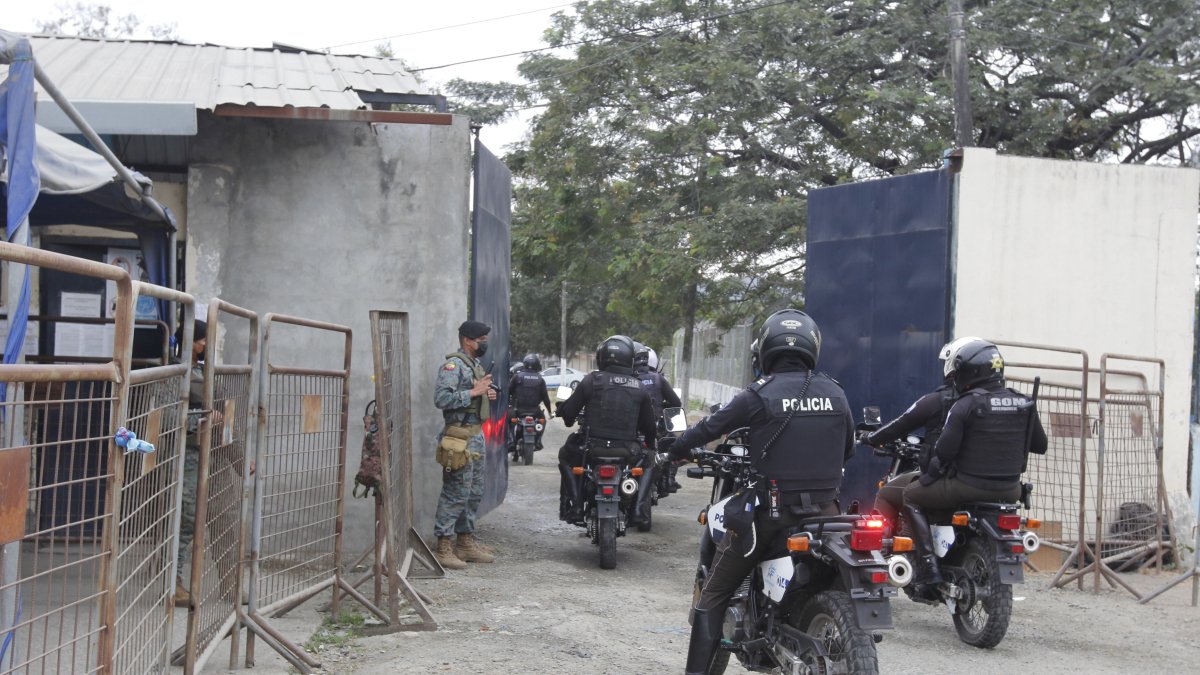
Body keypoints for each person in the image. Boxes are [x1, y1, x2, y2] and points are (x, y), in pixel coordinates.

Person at [663, 309, 854, 675]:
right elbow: (849, 450)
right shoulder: (836, 392)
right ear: (812, 347)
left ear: (765, 349)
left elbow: (708, 429)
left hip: (772, 516)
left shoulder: (758, 395)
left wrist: (674, 450)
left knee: (714, 593)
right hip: (827, 515)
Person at [900, 339, 1047, 595]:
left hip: (968, 486)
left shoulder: (966, 404)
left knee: (910, 496)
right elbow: (1040, 445)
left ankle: (928, 568)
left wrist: (928, 477)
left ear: (971, 371)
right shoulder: (1023, 402)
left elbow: (945, 451)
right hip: (1010, 490)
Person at [863, 335, 982, 523]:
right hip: (983, 482)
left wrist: (870, 437)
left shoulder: (937, 400)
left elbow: (899, 426)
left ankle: (893, 548)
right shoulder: (988, 402)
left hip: (948, 480)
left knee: (887, 494)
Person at [555, 335, 657, 524]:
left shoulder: (590, 381)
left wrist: (567, 417)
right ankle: (638, 510)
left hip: (591, 448)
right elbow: (649, 427)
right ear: (630, 359)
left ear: (601, 357)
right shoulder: (640, 387)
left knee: (565, 456)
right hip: (627, 451)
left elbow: (569, 413)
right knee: (651, 460)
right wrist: (650, 444)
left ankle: (576, 507)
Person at [432, 320, 499, 570]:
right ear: (467, 340)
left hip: (475, 436)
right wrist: (473, 393)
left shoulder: (474, 365)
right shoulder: (453, 366)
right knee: (455, 493)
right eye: (481, 339)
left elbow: (474, 394)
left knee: (473, 492)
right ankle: (443, 546)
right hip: (458, 437)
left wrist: (485, 393)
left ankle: (465, 542)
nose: (484, 343)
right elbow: (441, 398)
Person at [175, 319, 207, 606]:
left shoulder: (202, 370)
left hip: (205, 456)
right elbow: (170, 417)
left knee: (193, 519)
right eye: (201, 339)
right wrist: (203, 421)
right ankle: (173, 581)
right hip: (182, 457)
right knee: (184, 519)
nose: (205, 343)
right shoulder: (175, 372)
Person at [633, 343, 683, 497]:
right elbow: (676, 403)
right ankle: (669, 479)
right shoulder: (658, 378)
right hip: (655, 427)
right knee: (674, 445)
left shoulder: (627, 379)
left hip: (630, 427)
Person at [507, 353, 553, 450]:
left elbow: (508, 392)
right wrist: (549, 412)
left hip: (517, 410)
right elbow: (546, 398)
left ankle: (511, 440)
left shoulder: (517, 376)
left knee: (508, 420)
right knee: (543, 420)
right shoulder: (540, 379)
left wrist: (507, 405)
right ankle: (538, 441)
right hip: (535, 411)